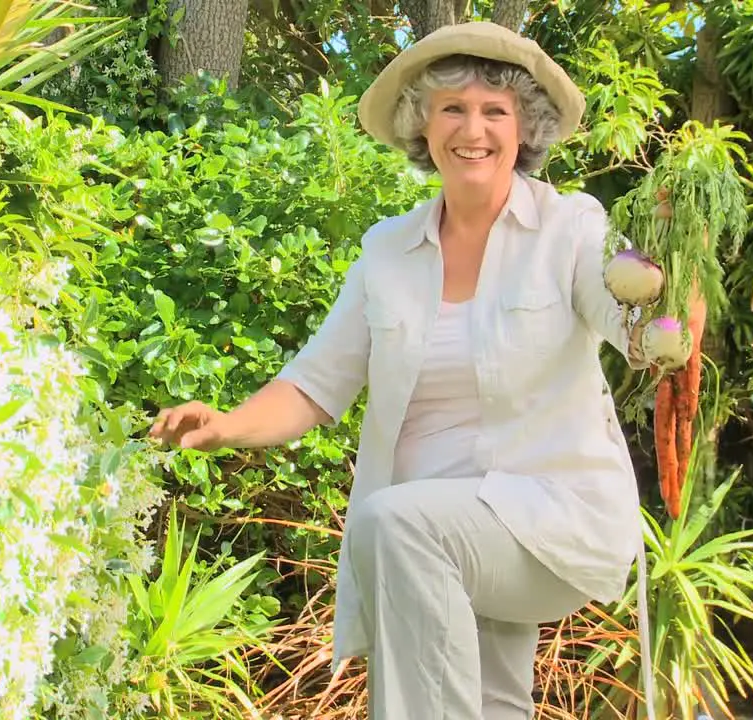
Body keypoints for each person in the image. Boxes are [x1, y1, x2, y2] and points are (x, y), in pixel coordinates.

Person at [150, 21, 662, 720]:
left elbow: (631, 321)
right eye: (453, 107)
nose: (471, 129)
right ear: (424, 124)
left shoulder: (572, 226)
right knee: (490, 699)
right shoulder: (387, 252)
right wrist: (227, 426)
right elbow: (314, 382)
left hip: (548, 521)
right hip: (440, 540)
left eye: (494, 111)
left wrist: (664, 304)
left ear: (525, 130)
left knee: (396, 525)